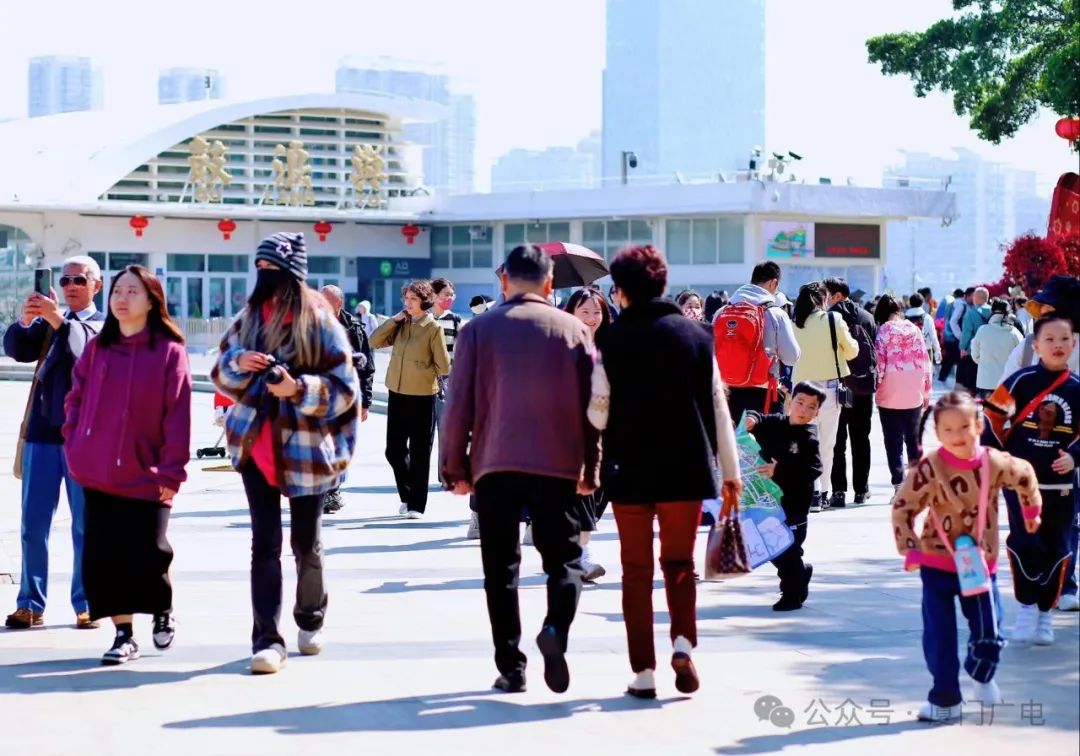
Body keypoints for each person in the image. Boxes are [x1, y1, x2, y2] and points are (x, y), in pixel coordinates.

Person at [440, 244, 601, 695]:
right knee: (565, 561)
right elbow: (594, 405)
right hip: (557, 464)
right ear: (550, 283)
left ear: (505, 281)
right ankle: (555, 630)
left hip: (495, 463)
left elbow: (458, 404)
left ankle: (511, 666)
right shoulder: (574, 330)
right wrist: (591, 465)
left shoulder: (478, 329)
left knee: (500, 569)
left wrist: (454, 466)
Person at [587, 244, 741, 699]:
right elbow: (718, 407)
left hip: (628, 467)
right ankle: (682, 644)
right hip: (685, 467)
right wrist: (730, 472)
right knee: (679, 563)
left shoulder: (611, 340)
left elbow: (598, 411)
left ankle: (643, 672)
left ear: (620, 290)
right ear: (663, 283)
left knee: (635, 571)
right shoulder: (697, 336)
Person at [212, 232, 359, 675]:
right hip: (255, 445)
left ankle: (311, 618)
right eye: (259, 268)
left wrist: (298, 388)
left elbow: (345, 388)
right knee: (264, 544)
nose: (265, 276)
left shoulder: (320, 320)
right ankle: (266, 639)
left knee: (306, 543)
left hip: (307, 450)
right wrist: (240, 363)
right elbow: (220, 370)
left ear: (293, 274)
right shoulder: (249, 316)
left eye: (273, 269)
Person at [62, 266, 191, 664]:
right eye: (118, 291)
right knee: (106, 556)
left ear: (152, 301)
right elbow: (75, 397)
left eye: (133, 291)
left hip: (150, 474)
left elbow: (179, 415)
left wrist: (172, 471)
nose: (122, 298)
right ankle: (124, 634)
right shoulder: (98, 348)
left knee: (150, 552)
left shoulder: (169, 351)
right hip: (99, 472)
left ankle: (162, 609)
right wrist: (76, 443)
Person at [892, 391, 1041, 722]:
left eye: (964, 427)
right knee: (940, 636)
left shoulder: (993, 462)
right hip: (936, 562)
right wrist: (910, 546)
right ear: (937, 432)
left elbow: (1025, 475)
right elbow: (903, 507)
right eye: (947, 429)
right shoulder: (930, 467)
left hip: (979, 563)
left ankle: (981, 673)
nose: (957, 435)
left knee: (990, 633)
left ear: (979, 426)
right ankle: (945, 698)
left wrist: (1031, 511)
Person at [4, 255, 106, 630]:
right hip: (42, 435)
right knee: (33, 526)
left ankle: (88, 602)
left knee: (86, 526)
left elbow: (84, 349)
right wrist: (27, 319)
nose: (70, 287)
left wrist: (56, 319)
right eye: (64, 281)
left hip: (85, 439)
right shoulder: (50, 323)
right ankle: (30, 603)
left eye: (79, 280)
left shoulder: (104, 325)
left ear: (96, 285)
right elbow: (17, 348)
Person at [983, 314, 1080, 646]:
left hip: (1061, 487)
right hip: (1021, 485)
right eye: (1049, 339)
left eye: (1064, 339)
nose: (1057, 345)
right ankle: (1026, 607)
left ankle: (1045, 614)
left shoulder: (1077, 388)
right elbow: (992, 421)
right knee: (1026, 543)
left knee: (1057, 547)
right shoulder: (1019, 382)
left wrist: (1074, 456)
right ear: (1036, 345)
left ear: (1074, 344)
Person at [999, 277, 1080, 612]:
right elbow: (1003, 397)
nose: (1043, 312)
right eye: (1041, 307)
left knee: (1066, 522)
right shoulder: (1026, 348)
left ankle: (1065, 585)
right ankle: (1035, 587)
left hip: (1068, 458)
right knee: (1028, 523)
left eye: (1050, 306)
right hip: (1027, 455)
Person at [370, 280, 451, 519]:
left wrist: (421, 366)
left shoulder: (433, 328)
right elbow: (374, 341)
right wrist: (394, 320)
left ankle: (416, 505)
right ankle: (407, 494)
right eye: (406, 298)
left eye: (413, 299)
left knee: (419, 452)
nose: (408, 303)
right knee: (393, 451)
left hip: (423, 396)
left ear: (424, 301)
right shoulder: (401, 324)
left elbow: (444, 365)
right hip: (397, 392)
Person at [744, 381, 824, 611]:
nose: (803, 410)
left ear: (817, 412)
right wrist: (752, 420)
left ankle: (792, 595)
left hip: (795, 504)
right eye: (800, 402)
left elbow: (813, 469)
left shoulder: (809, 438)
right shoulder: (776, 423)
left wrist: (778, 470)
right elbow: (759, 417)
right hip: (769, 503)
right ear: (790, 402)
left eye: (811, 407)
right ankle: (800, 573)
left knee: (788, 549)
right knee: (774, 548)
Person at [791, 282, 859, 512]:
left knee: (804, 443)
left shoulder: (795, 322)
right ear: (823, 299)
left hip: (800, 389)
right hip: (828, 390)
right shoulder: (833, 319)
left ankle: (810, 490)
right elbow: (852, 351)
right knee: (827, 444)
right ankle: (820, 493)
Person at [563, 287, 614, 582]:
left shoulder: (612, 345)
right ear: (571, 312)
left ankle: (574, 545)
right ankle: (584, 554)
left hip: (608, 430)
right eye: (585, 311)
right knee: (583, 488)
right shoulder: (562, 345)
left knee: (602, 487)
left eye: (597, 312)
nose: (592, 318)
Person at [721, 262, 801, 425]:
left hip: (728, 392)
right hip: (765, 393)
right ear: (773, 282)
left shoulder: (723, 312)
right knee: (767, 441)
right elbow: (792, 357)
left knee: (732, 440)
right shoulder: (775, 313)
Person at [320, 285, 375, 514]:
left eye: (326, 300)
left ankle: (333, 491)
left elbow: (367, 368)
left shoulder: (354, 328)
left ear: (339, 303)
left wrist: (366, 401)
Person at [825, 277, 877, 507]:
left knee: (837, 441)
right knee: (861, 439)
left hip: (836, 387)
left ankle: (838, 492)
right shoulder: (867, 317)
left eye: (826, 294)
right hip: (863, 388)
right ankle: (861, 490)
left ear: (837, 295)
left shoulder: (827, 319)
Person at [874, 295, 932, 493]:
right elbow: (925, 362)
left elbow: (880, 364)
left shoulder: (884, 331)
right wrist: (926, 392)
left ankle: (899, 483)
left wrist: (876, 386)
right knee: (913, 440)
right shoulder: (915, 329)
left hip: (890, 393)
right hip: (914, 391)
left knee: (893, 442)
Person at [971, 298, 1024, 399]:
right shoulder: (1014, 332)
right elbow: (1023, 356)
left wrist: (985, 363)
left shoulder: (982, 330)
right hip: (1008, 381)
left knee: (987, 408)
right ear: (1008, 312)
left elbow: (975, 355)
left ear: (992, 311)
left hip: (986, 380)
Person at [959, 287, 991, 394]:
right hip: (990, 350)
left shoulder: (970, 313)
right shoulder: (993, 312)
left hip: (972, 351)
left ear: (975, 298)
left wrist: (962, 347)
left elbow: (967, 332)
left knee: (972, 382)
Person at [906, 292, 941, 366]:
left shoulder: (904, 318)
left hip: (908, 352)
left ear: (910, 304)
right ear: (922, 303)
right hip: (925, 351)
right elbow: (933, 336)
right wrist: (937, 351)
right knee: (926, 373)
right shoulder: (927, 317)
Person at [936, 289, 963, 382]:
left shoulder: (949, 305)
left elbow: (945, 319)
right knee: (959, 360)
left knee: (948, 358)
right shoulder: (961, 304)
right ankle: (958, 380)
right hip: (957, 336)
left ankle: (942, 377)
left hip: (948, 335)